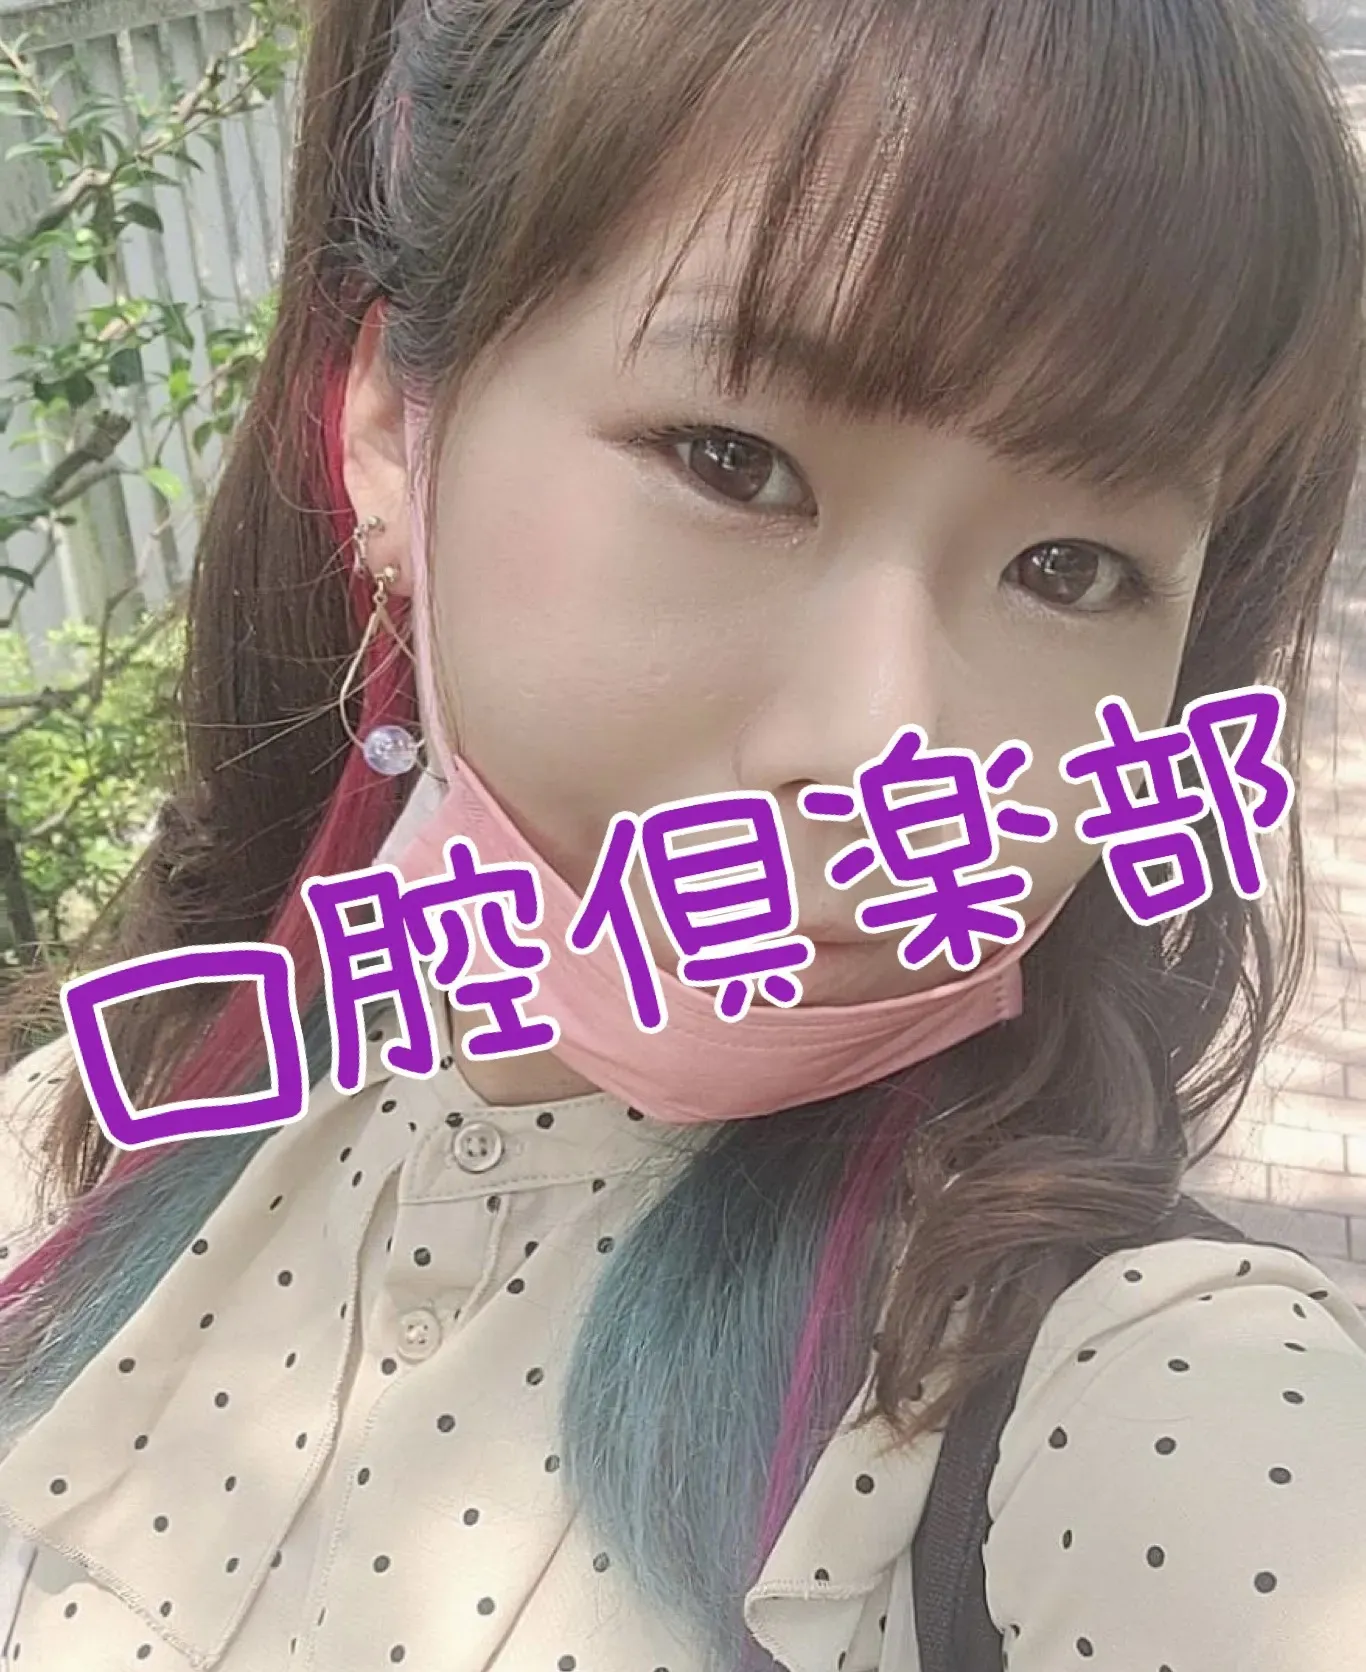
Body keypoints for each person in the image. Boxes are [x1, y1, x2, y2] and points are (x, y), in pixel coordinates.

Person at [2, 0, 1366, 1666]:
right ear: (385, 431)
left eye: (1070, 570)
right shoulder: (103, 1119)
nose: (886, 747)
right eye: (735, 463)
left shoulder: (1134, 1395)